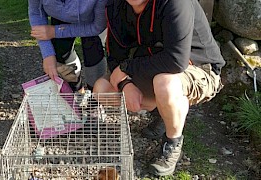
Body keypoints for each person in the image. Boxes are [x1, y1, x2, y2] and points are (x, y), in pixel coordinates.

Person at [93, 0, 225, 176]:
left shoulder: (176, 3)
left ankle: (172, 143)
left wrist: (126, 69)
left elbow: (176, 60)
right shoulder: (116, 6)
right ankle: (163, 112)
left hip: (198, 67)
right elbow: (115, 55)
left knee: (166, 84)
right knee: (101, 89)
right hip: (151, 66)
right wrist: (126, 84)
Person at [28, 0, 108, 92]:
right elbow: (36, 14)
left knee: (93, 53)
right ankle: (77, 91)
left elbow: (98, 26)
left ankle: (96, 97)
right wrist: (48, 55)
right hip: (60, 16)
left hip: (92, 20)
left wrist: (56, 31)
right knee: (60, 56)